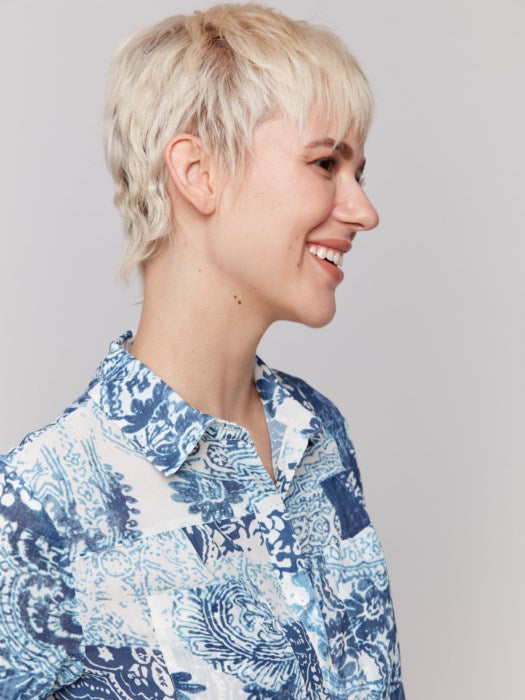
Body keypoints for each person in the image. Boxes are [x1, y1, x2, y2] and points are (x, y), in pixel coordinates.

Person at [0, 3, 405, 698]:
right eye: (324, 163)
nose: (363, 210)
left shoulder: (318, 437)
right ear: (198, 171)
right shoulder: (40, 507)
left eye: (358, 172)